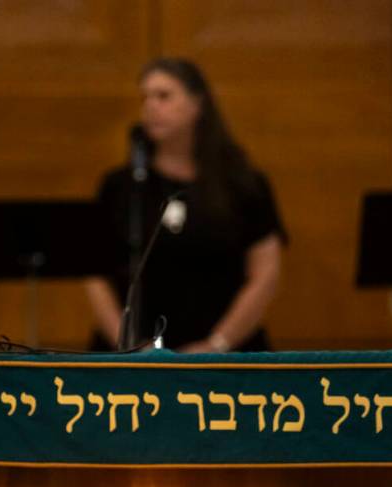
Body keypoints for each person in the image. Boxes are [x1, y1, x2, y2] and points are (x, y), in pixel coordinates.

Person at [86, 58, 285, 353]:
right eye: (145, 97)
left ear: (197, 104)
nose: (150, 106)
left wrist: (217, 344)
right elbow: (95, 273)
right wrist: (130, 346)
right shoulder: (122, 186)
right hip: (132, 360)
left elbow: (265, 273)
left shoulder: (242, 184)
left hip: (225, 358)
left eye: (164, 96)